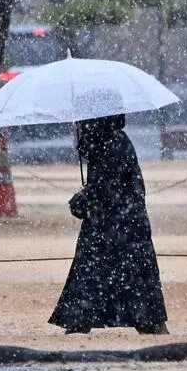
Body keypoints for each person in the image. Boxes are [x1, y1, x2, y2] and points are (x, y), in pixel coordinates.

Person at [49, 114, 168, 335]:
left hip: (114, 225)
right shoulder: (113, 141)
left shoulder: (108, 144)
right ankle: (143, 320)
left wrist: (82, 200)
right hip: (125, 226)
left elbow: (107, 188)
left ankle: (81, 320)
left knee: (94, 273)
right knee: (129, 279)